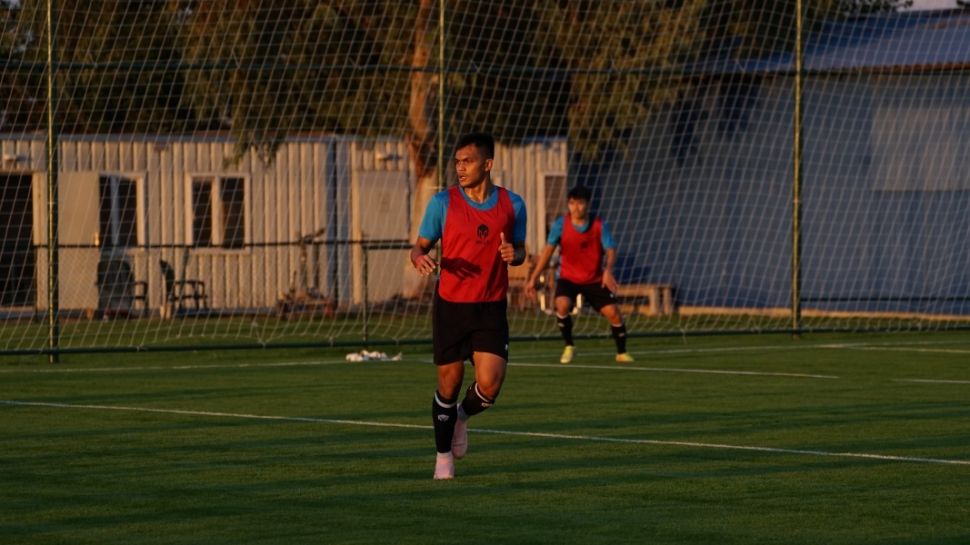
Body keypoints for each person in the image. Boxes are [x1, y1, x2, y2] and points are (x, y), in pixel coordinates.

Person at [410, 132, 527, 480]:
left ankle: (461, 416)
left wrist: (515, 256)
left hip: (490, 308)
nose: (460, 168)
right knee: (449, 382)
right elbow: (418, 247)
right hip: (451, 306)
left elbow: (520, 250)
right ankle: (442, 457)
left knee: (490, 385)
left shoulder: (513, 204)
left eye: (468, 161)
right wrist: (420, 258)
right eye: (457, 162)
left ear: (487, 164)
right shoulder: (442, 203)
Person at [525, 185, 633, 364]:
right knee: (562, 305)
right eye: (572, 203)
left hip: (594, 278)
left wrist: (608, 270)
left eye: (580, 203)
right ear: (568, 204)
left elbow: (611, 250)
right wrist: (533, 278)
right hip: (568, 278)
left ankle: (621, 353)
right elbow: (547, 252)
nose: (576, 208)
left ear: (588, 205)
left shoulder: (599, 225)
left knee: (614, 313)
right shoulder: (561, 225)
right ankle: (569, 346)